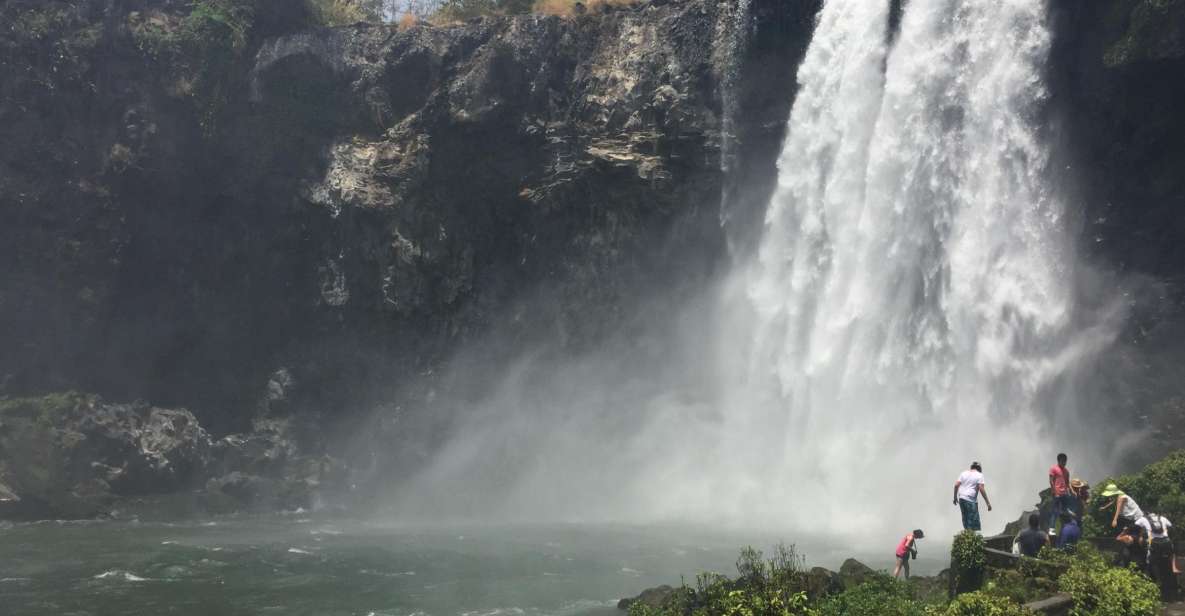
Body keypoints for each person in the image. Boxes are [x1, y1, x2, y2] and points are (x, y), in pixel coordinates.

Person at [1140, 512, 1179, 600]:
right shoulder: (1163, 518)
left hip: (1153, 542)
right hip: (1166, 541)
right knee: (1172, 553)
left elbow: (1137, 525)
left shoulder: (1144, 519)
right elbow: (1171, 527)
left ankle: (1155, 578)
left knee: (1151, 561)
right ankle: (1174, 567)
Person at [953, 462, 992, 531]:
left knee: (966, 520)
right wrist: (988, 503)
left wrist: (955, 497)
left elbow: (956, 485)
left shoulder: (963, 473)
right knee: (974, 522)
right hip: (970, 500)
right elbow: (981, 488)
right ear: (979, 468)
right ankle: (973, 539)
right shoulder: (979, 475)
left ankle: (967, 538)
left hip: (961, 499)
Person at [1047, 453, 1074, 535]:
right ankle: (1051, 528)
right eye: (1063, 461)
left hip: (1064, 493)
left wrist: (1071, 491)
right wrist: (1054, 492)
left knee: (1064, 512)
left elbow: (1067, 482)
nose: (1064, 463)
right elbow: (1051, 481)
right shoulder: (1053, 469)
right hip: (1057, 493)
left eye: (1065, 461)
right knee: (1055, 511)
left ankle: (1065, 527)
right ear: (1059, 461)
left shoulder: (1066, 471)